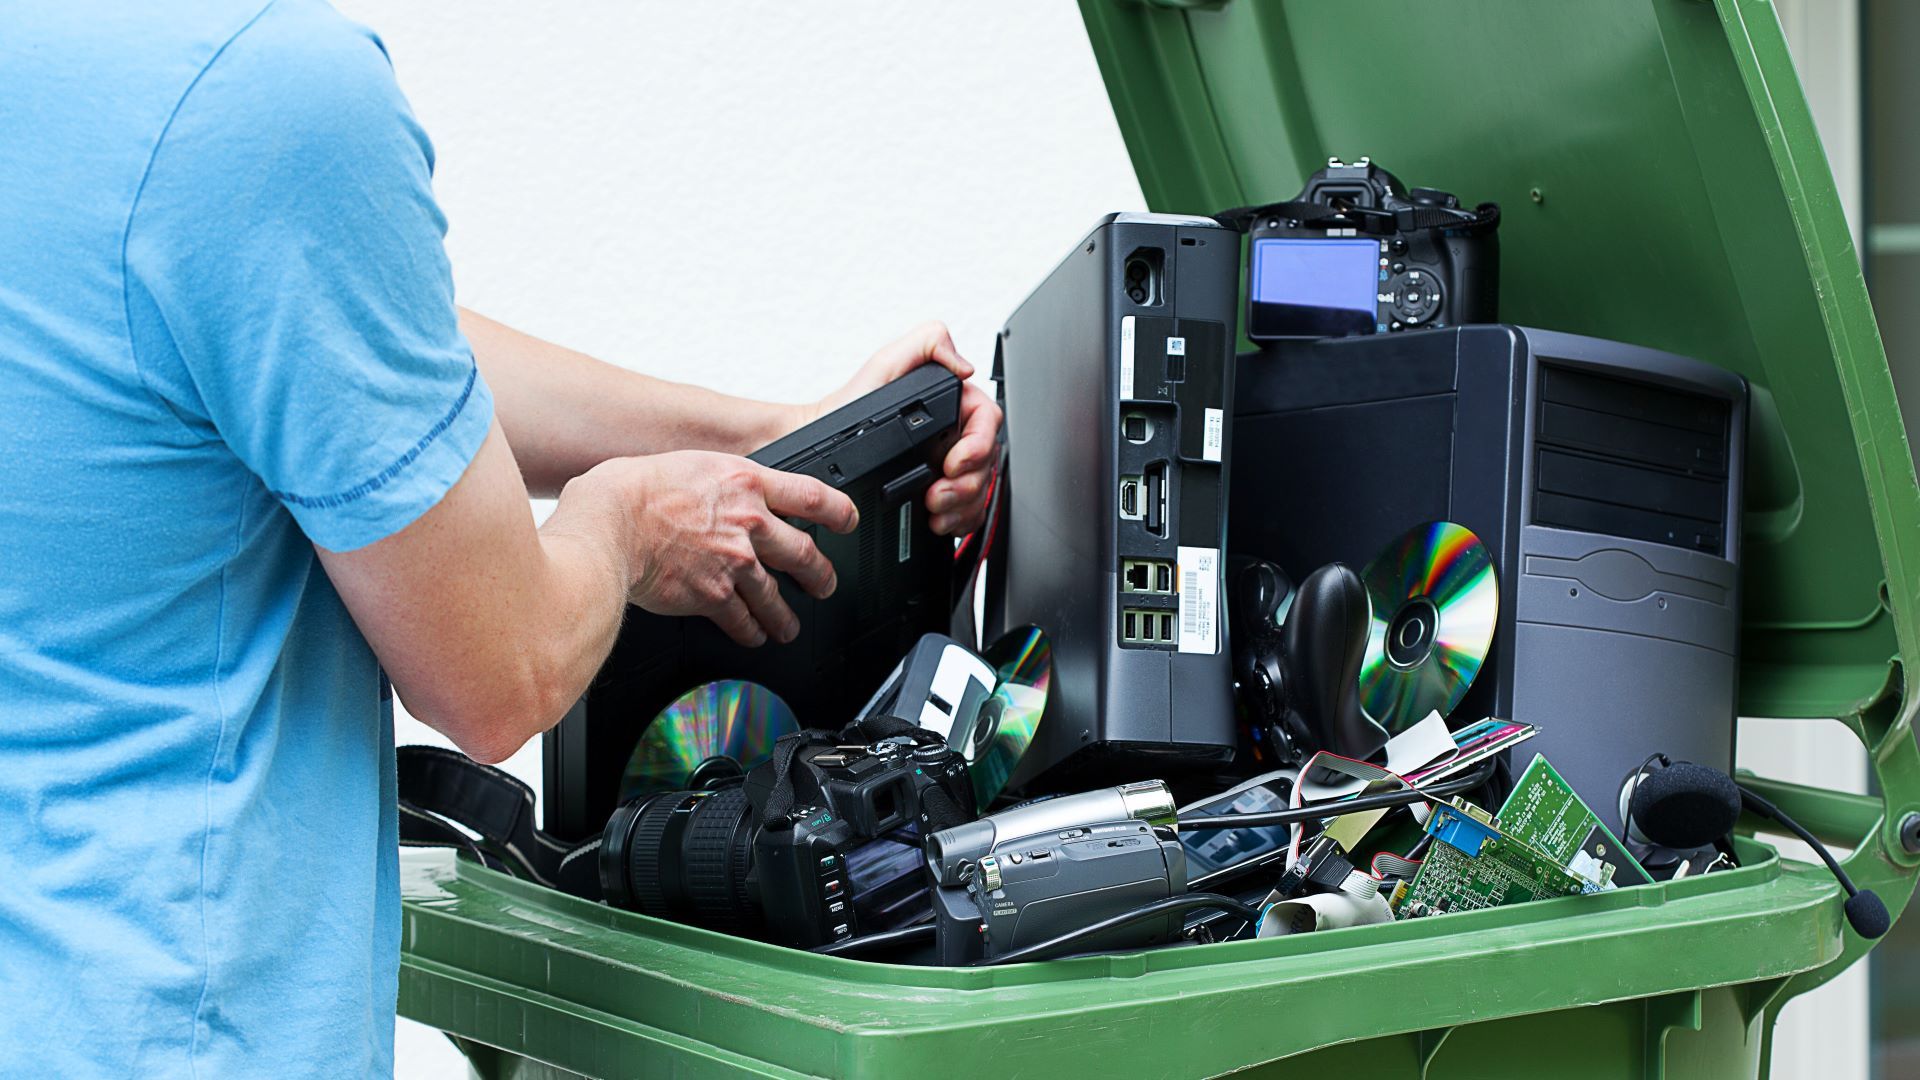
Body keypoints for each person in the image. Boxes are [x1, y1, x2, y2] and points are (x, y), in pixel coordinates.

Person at [0, 1, 1001, 1075]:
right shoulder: (257, 89)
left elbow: (344, 344)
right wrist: (619, 532)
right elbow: (499, 673)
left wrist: (788, 438)